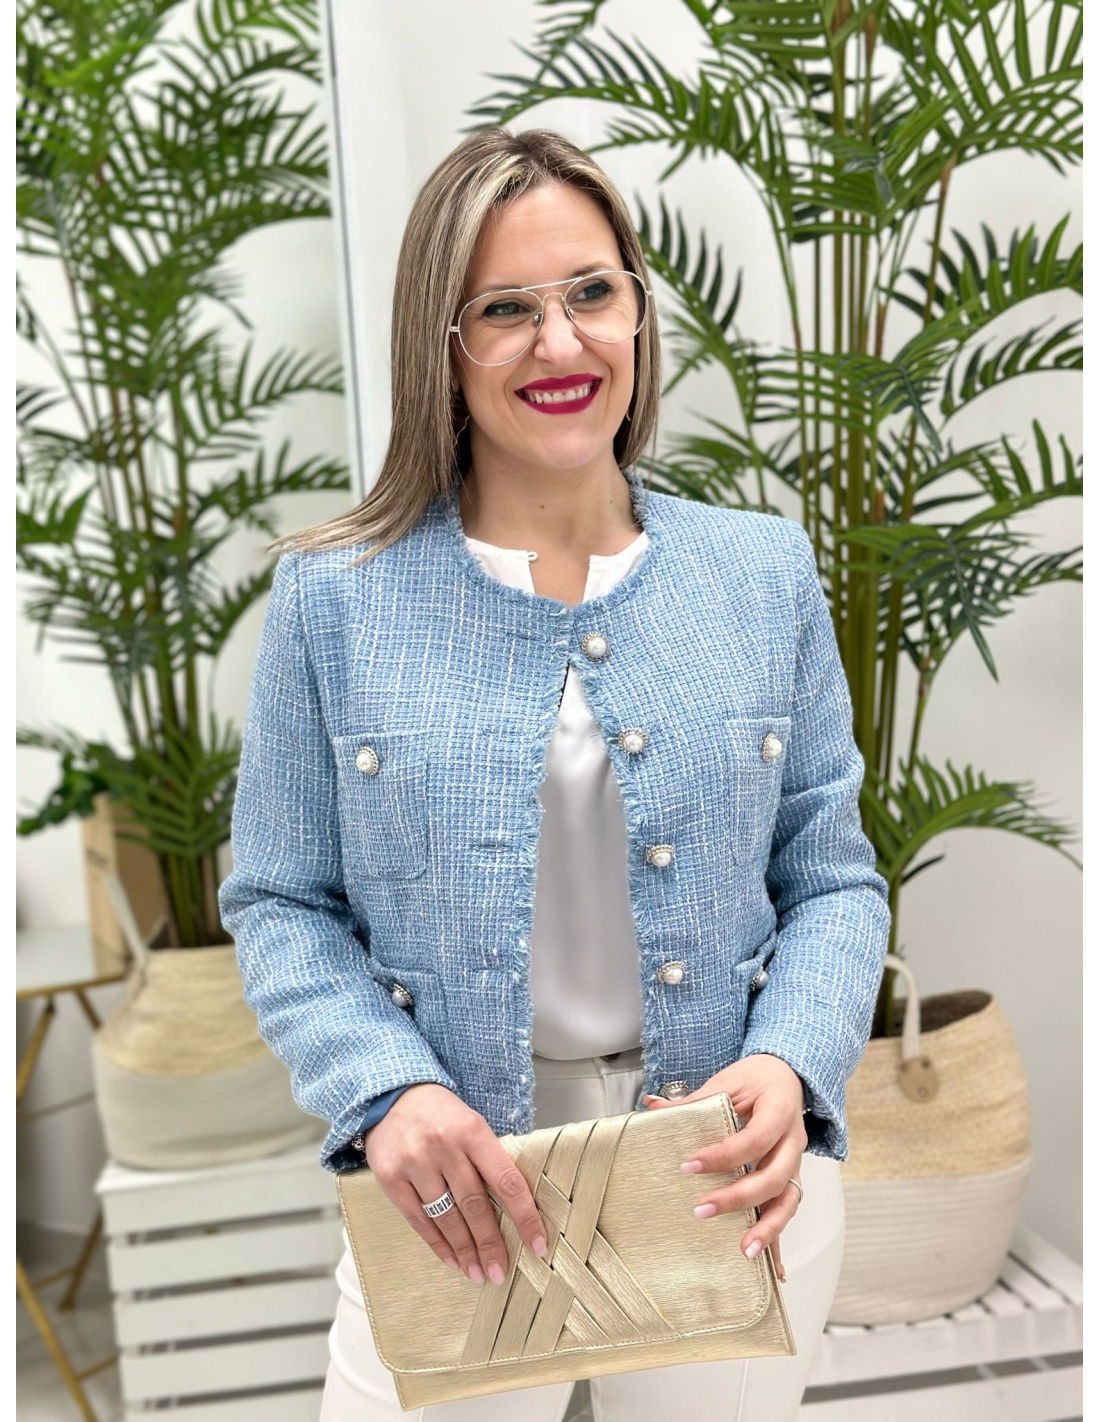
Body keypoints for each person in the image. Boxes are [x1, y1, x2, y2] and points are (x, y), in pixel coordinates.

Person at [220, 127, 891, 1422]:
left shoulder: (760, 572)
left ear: (637, 308)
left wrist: (793, 1061)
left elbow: (832, 876)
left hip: (726, 1175)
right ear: (442, 341)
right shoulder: (335, 598)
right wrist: (386, 1089)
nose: (561, 342)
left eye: (591, 291)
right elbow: (281, 900)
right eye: (505, 310)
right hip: (454, 1187)